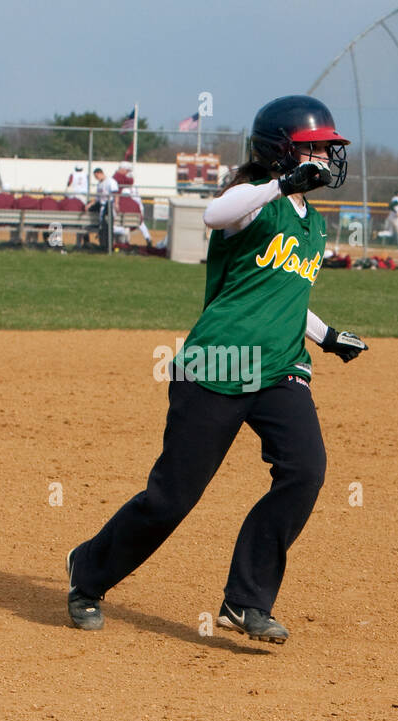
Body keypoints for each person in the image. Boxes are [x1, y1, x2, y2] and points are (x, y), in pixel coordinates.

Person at [64, 95, 368, 644]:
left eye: (330, 148)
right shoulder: (252, 201)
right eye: (319, 146)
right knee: (171, 498)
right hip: (217, 364)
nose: (329, 155)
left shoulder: (313, 226)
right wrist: (281, 184)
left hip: (280, 369)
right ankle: (87, 573)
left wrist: (324, 336)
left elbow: (284, 292)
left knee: (305, 471)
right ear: (284, 151)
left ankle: (246, 601)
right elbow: (213, 214)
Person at [113, 161, 153, 244]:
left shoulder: (120, 182)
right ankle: (147, 237)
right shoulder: (128, 184)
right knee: (140, 222)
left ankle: (124, 241)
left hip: (127, 209)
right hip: (135, 208)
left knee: (120, 223)